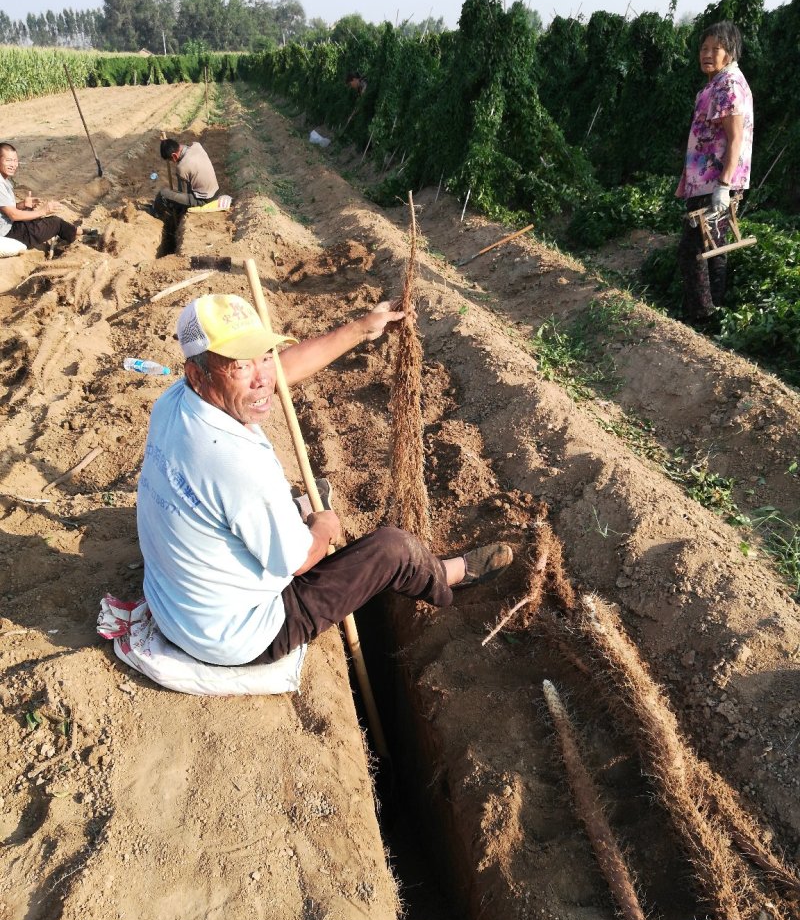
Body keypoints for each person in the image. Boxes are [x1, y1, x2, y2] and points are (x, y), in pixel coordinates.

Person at [136, 293, 513, 667]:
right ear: (198, 373)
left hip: (177, 604)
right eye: (240, 367)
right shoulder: (236, 463)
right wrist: (324, 526)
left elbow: (282, 370)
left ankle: (293, 511)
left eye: (264, 357)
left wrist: (363, 328)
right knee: (392, 548)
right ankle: (446, 577)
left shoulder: (176, 401)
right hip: (236, 634)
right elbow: (299, 561)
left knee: (283, 501)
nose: (263, 380)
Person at [675, 21, 754, 322]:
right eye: (703, 48)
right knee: (713, 248)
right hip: (706, 183)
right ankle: (711, 314)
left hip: (715, 184)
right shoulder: (717, 82)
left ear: (729, 52)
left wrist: (723, 185)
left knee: (693, 251)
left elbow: (735, 140)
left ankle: (702, 317)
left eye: (715, 49)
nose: (707, 54)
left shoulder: (728, 85)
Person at [0, 142, 80, 250]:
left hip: (10, 226)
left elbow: (5, 209)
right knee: (56, 223)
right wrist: (43, 211)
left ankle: (78, 231)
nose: (13, 165)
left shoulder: (4, 180)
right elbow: (13, 215)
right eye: (8, 160)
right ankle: (80, 236)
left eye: (15, 161)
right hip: (8, 233)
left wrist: (22, 205)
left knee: (37, 219)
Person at [155, 137, 219, 218]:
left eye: (171, 160)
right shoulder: (197, 146)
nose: (173, 162)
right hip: (214, 191)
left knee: (162, 194)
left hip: (202, 200)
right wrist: (167, 144)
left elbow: (183, 193)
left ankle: (156, 214)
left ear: (174, 156)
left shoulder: (182, 167)